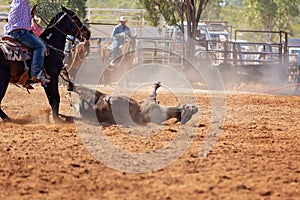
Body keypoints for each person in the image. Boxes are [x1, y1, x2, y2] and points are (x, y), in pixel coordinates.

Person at [6, 0, 49, 83]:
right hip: (21, 32)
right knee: (40, 46)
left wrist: (31, 14)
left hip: (14, 32)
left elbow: (23, 19)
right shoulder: (22, 1)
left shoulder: (17, 4)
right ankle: (35, 74)